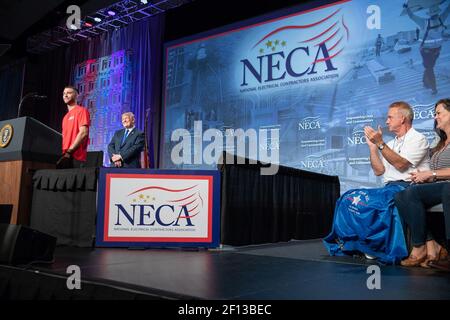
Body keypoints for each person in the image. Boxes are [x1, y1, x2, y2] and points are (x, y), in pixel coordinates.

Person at [323, 101, 430, 263]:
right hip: (388, 187)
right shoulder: (392, 143)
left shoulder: (418, 138)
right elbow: (379, 170)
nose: (386, 121)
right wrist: (373, 148)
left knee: (377, 205)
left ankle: (376, 247)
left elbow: (401, 164)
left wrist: (380, 143)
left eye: (390, 117)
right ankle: (352, 243)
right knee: (348, 198)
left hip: (407, 188)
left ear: (402, 118)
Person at [395, 99, 450, 269]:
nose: (435, 117)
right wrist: (425, 176)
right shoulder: (440, 144)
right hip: (440, 185)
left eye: (439, 113)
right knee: (403, 193)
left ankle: (434, 249)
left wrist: (431, 173)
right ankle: (427, 245)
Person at [404, 2, 450, 95]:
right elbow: (447, 10)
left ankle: (429, 85)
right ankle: (429, 86)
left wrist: (407, 7)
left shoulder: (424, 22)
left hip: (428, 51)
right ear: (437, 13)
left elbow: (412, 16)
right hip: (435, 51)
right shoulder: (442, 19)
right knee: (429, 68)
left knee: (429, 68)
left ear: (430, 14)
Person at [57, 86, 90, 169]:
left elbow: (83, 133)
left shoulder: (82, 110)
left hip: (75, 157)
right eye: (64, 93)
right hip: (64, 157)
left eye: (69, 93)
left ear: (76, 95)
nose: (65, 95)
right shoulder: (65, 117)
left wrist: (69, 151)